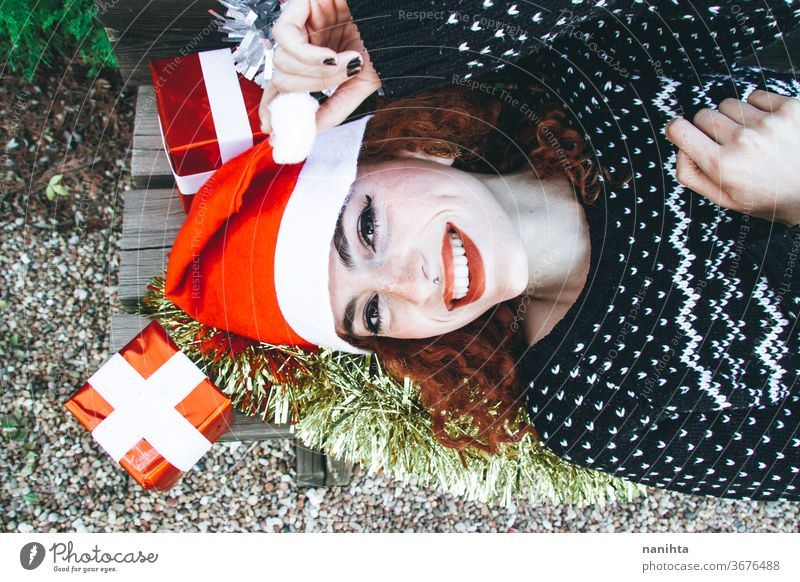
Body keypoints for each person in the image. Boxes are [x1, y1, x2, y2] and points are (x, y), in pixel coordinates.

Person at [169, 0, 800, 501]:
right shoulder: (589, 406)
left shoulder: (563, 66)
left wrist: (378, 29)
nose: (412, 285)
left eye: (367, 230)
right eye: (371, 315)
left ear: (412, 147)